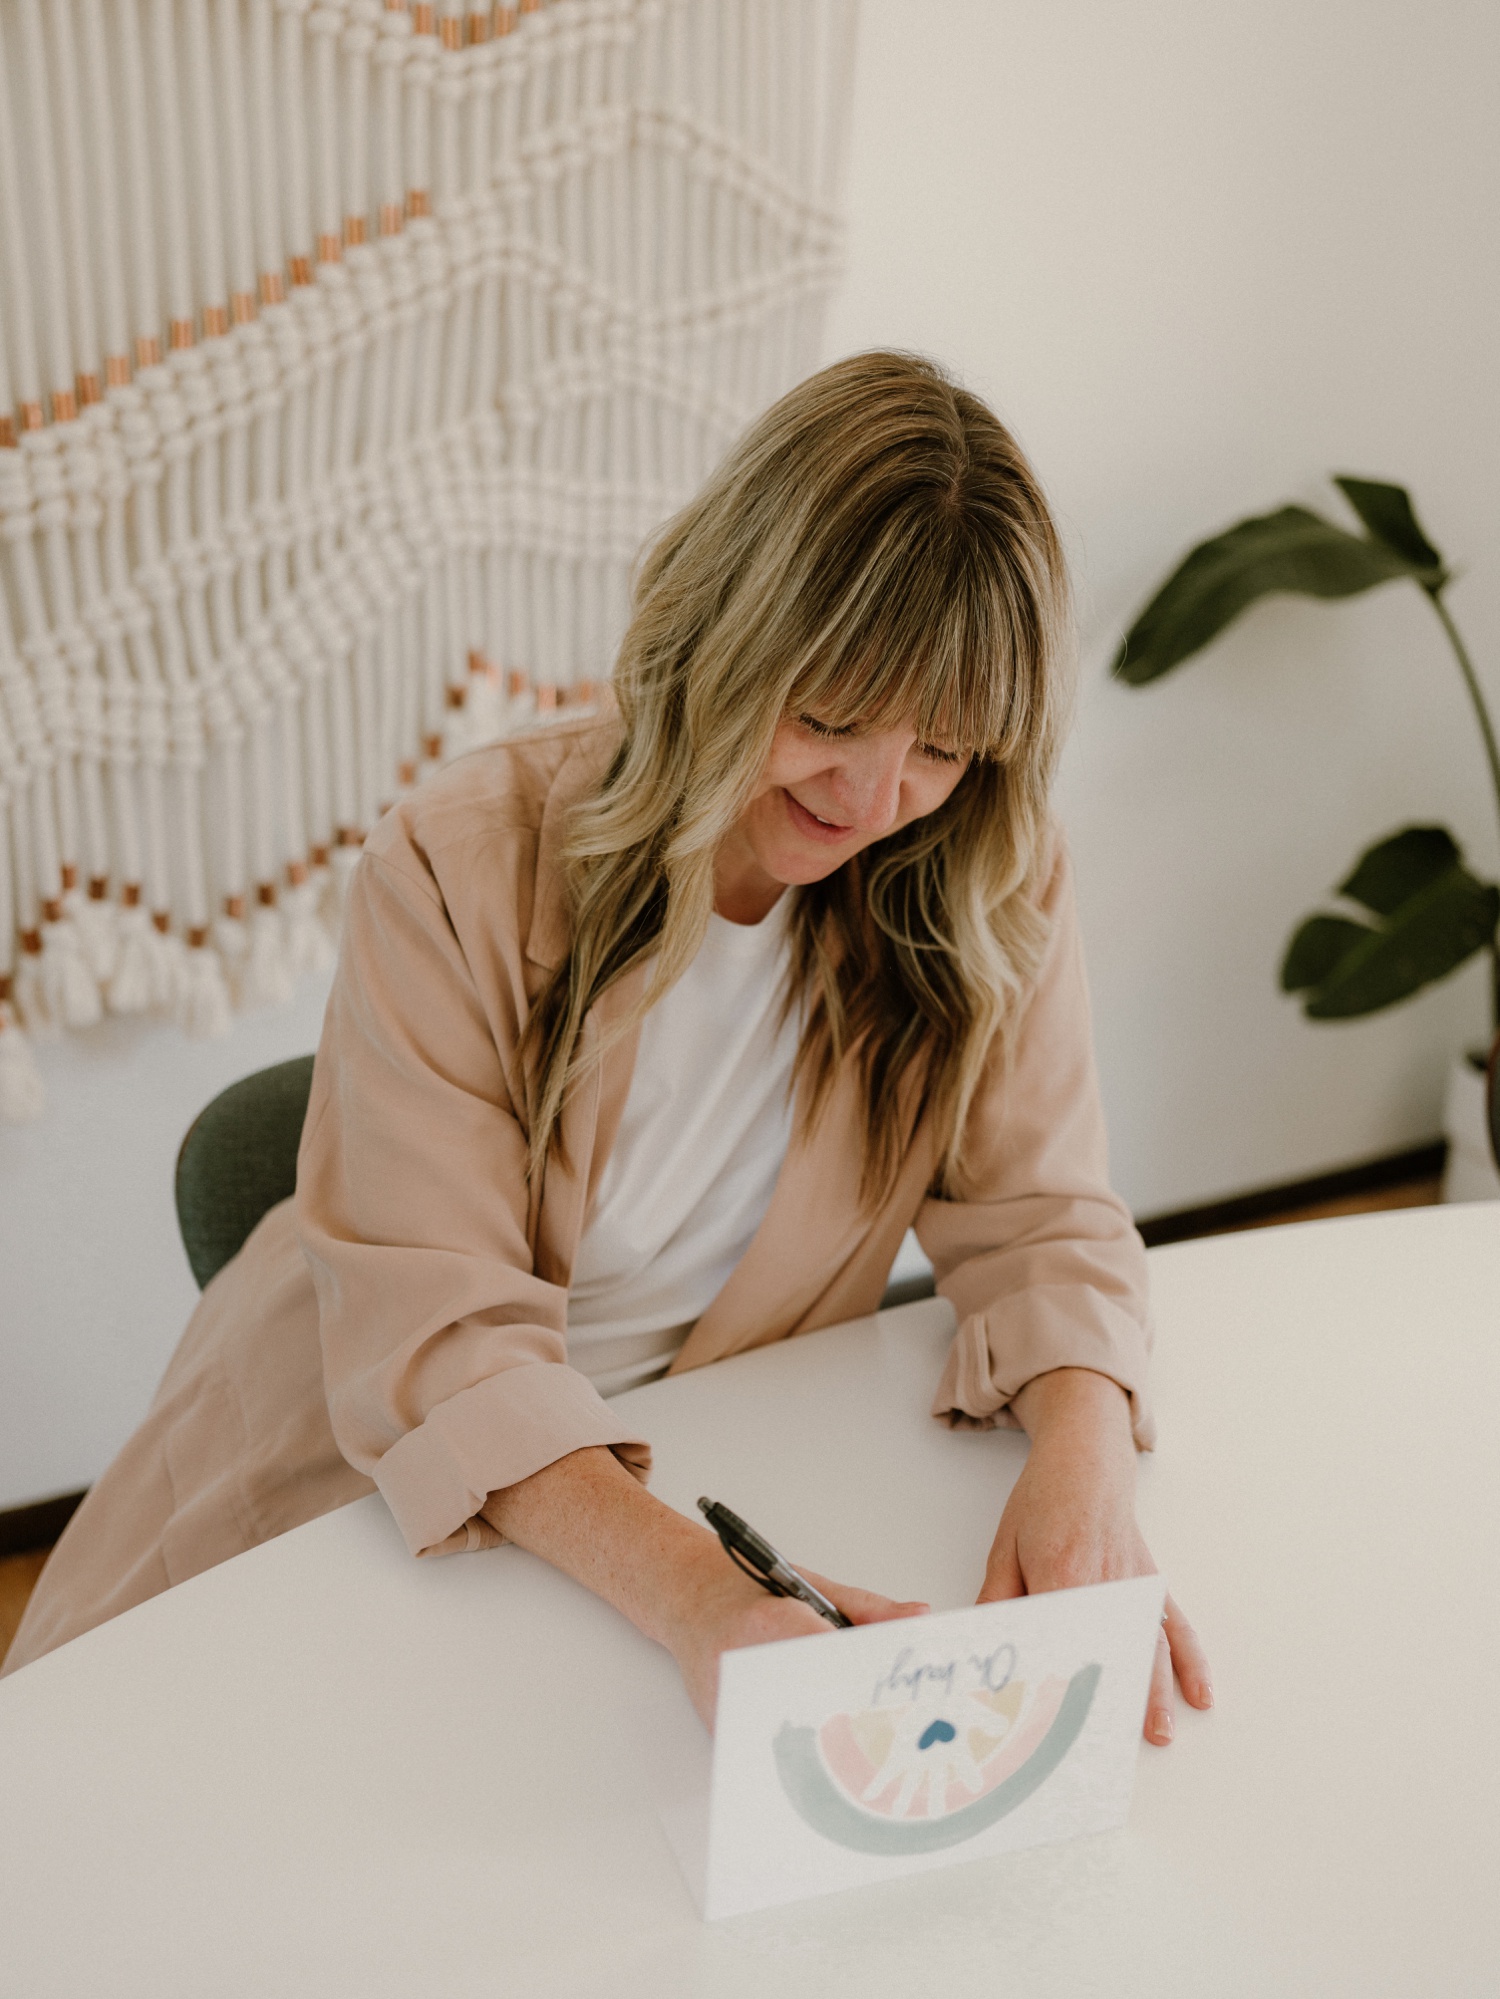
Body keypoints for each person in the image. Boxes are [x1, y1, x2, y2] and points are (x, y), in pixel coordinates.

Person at [7, 353, 1212, 1745]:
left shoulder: (984, 871)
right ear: (722, 633)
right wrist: (699, 1598)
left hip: (694, 1481)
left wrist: (1084, 1456)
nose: (876, 799)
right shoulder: (466, 861)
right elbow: (444, 1348)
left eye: (942, 746)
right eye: (826, 717)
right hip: (366, 1477)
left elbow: (1045, 1215)